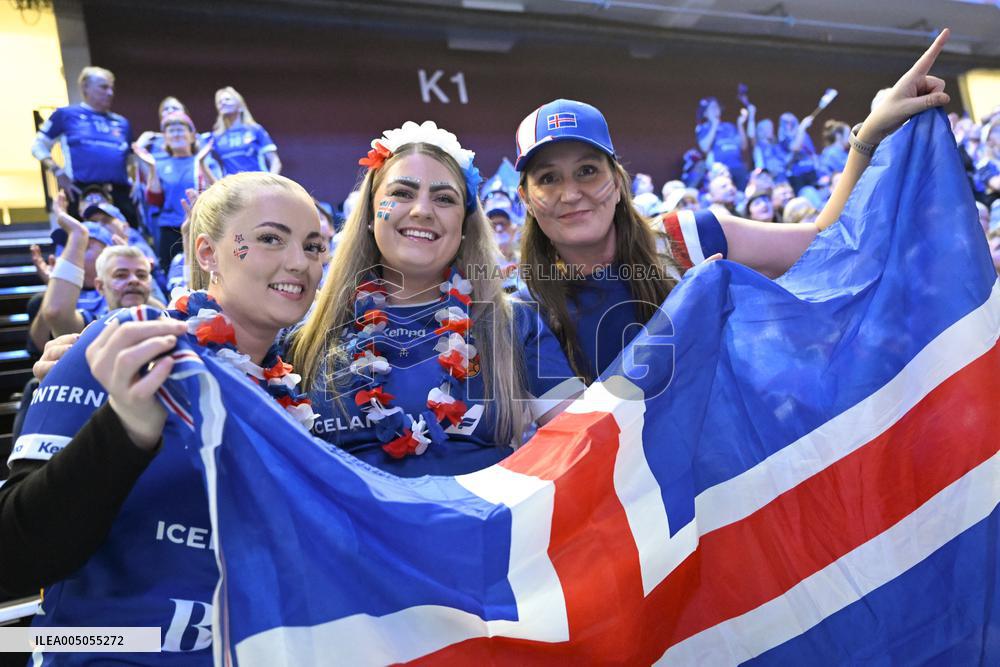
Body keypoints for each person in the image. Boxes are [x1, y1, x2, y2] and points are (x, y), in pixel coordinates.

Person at [0, 171, 325, 661]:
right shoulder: (126, 344)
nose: (299, 262)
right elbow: (13, 556)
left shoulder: (296, 390)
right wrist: (126, 430)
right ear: (207, 253)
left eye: (314, 246)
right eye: (270, 238)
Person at [513, 31, 952, 383]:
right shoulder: (527, 311)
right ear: (527, 199)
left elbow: (827, 244)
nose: (571, 193)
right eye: (548, 178)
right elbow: (571, 442)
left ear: (616, 182)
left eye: (587, 171)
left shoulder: (687, 238)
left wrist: (870, 135)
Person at [289, 121, 584, 477]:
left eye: (444, 198)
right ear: (369, 214)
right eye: (402, 193)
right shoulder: (303, 334)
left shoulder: (515, 323)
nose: (422, 210)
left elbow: (585, 444)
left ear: (464, 226)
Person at [30, 66, 140, 227]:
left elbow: (130, 159)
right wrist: (57, 171)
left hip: (119, 195)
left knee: (128, 238)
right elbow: (38, 146)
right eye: (104, 87)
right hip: (81, 193)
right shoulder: (65, 115)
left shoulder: (122, 123)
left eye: (111, 88)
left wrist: (136, 181)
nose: (110, 93)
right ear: (85, 87)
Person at [134, 111, 216, 269]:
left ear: (192, 136)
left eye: (180, 130)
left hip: (199, 226)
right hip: (169, 229)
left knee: (202, 271)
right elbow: (154, 200)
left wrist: (202, 164)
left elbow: (217, 191)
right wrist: (152, 168)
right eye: (171, 131)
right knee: (172, 275)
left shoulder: (202, 160)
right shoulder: (159, 163)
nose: (176, 134)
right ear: (165, 138)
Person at [210, 86, 281, 175]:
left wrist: (270, 181)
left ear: (240, 106)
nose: (223, 103)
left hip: (257, 181)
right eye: (219, 102)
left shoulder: (255, 130)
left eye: (227, 99)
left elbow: (275, 161)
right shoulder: (215, 136)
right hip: (232, 183)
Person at [695, 96, 750, 189]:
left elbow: (743, 146)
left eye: (716, 106)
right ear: (705, 113)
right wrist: (714, 124)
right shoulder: (703, 128)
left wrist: (740, 124)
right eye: (711, 107)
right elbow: (705, 148)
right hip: (720, 170)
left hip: (738, 167)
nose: (715, 109)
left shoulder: (729, 126)